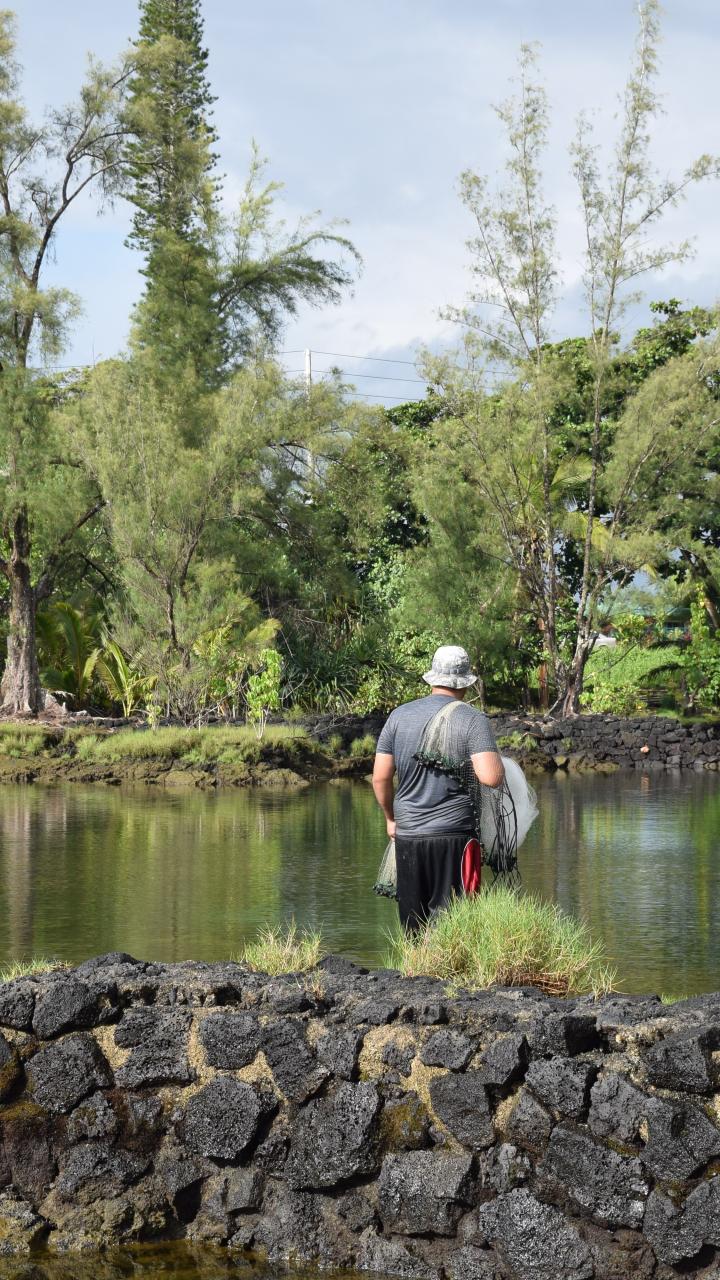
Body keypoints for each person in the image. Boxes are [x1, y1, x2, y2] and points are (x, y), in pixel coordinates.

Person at [372, 644, 505, 931]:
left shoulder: (399, 716)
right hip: (455, 838)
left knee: (413, 924)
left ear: (432, 678)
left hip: (408, 836)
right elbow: (491, 777)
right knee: (454, 925)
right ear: (466, 683)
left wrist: (390, 820)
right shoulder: (472, 719)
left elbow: (380, 778)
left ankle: (414, 973)